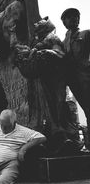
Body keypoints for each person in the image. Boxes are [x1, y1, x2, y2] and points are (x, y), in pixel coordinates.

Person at [14, 17, 82, 155]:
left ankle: (65, 137)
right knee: (50, 107)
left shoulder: (52, 37)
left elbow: (60, 55)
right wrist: (28, 53)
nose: (36, 23)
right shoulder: (41, 41)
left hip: (57, 78)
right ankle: (57, 136)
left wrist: (42, 52)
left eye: (39, 22)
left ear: (45, 26)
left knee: (57, 106)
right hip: (46, 79)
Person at [61, 8, 90, 140]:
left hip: (85, 76)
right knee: (85, 107)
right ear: (64, 22)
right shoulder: (64, 41)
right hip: (72, 80)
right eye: (70, 17)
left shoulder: (86, 34)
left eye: (76, 16)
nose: (74, 19)